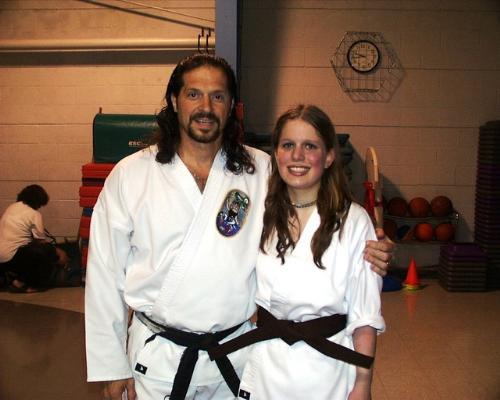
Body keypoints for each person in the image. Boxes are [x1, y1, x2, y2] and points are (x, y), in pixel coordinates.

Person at [84, 54, 393, 400]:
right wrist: (111, 365)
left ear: (231, 106)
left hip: (235, 357)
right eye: (193, 94)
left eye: (218, 96)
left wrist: (369, 242)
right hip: (157, 359)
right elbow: (104, 272)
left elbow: (312, 205)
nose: (206, 106)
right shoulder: (132, 174)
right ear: (174, 101)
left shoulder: (259, 169)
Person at [209, 104, 385, 399]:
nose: (297, 156)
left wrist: (363, 383)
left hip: (328, 369)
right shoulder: (258, 212)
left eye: (310, 146)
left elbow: (365, 313)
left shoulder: (353, 221)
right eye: (288, 145)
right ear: (275, 153)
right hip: (267, 364)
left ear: (329, 156)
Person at [0, 184, 68, 292]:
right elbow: (41, 242)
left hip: (2, 259)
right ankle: (24, 283)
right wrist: (59, 253)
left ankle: (12, 278)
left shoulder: (11, 207)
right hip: (13, 258)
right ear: (38, 202)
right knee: (46, 251)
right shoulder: (34, 214)